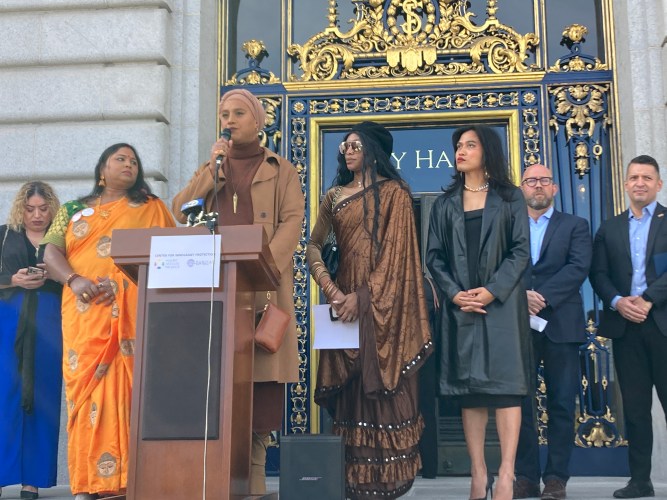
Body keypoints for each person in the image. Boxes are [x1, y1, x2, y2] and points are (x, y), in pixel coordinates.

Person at [171, 88, 304, 494]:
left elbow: (292, 223)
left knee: (261, 392)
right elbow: (179, 212)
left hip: (263, 292)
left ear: (258, 121)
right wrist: (210, 172)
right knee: (219, 388)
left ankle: (257, 483)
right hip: (218, 295)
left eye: (239, 113)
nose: (229, 121)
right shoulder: (212, 167)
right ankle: (217, 481)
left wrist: (264, 269)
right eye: (224, 114)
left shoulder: (282, 169)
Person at [306, 121, 432, 499]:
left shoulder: (395, 193)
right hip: (341, 302)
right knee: (352, 392)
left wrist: (361, 298)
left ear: (375, 150)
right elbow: (313, 246)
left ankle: (388, 484)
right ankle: (355, 483)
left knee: (385, 388)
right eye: (345, 145)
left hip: (384, 308)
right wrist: (331, 290)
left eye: (356, 144)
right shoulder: (334, 196)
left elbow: (397, 257)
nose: (348, 150)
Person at [42, 144, 175, 500]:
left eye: (134, 161)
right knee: (84, 396)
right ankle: (87, 483)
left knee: (132, 393)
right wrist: (76, 280)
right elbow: (50, 251)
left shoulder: (152, 208)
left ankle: (133, 481)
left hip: (133, 319)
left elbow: (173, 256)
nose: (129, 164)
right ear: (102, 168)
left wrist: (122, 286)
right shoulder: (71, 210)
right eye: (121, 159)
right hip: (84, 316)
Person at [426, 125, 531, 500]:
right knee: (469, 393)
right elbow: (433, 258)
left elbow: (520, 252)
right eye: (458, 145)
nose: (461, 150)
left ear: (487, 150)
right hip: (461, 308)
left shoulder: (510, 197)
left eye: (470, 144)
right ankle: (477, 473)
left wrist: (491, 291)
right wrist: (455, 295)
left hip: (500, 307)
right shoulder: (444, 203)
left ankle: (506, 474)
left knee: (505, 391)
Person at [590, 155, 667, 499]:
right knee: (635, 409)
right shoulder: (610, 228)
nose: (640, 183)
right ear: (625, 184)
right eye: (634, 177)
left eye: (647, 178)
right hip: (626, 328)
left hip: (662, 323)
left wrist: (649, 298)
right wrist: (618, 301)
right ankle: (640, 481)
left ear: (658, 184)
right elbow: (598, 274)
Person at [514, 164, 592, 500]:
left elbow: (579, 267)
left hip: (561, 323)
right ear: (522, 188)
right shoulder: (509, 225)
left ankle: (557, 478)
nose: (538, 186)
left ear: (555, 189)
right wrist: (521, 296)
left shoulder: (575, 225)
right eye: (531, 181)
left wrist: (541, 297)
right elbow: (500, 266)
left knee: (561, 403)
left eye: (544, 181)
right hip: (518, 325)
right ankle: (526, 477)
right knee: (521, 404)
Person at [0, 182, 61, 500]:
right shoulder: (4, 234)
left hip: (49, 321)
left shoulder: (64, 239)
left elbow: (78, 275)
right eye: (30, 208)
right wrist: (12, 279)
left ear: (52, 208)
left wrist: (55, 275)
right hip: (8, 319)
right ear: (20, 208)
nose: (36, 215)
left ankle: (32, 482)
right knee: (4, 394)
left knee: (43, 395)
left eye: (43, 208)